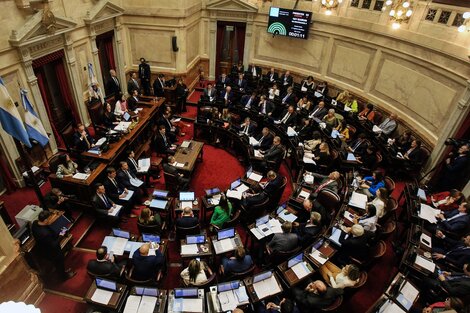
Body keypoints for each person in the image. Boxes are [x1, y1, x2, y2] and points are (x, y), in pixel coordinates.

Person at [31, 210, 76, 280]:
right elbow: (54, 244)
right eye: (49, 218)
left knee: (58, 264)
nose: (51, 219)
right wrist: (61, 235)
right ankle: (63, 277)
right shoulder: (45, 234)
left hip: (43, 246)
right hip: (52, 252)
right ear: (45, 220)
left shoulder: (35, 223)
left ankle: (62, 272)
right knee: (59, 263)